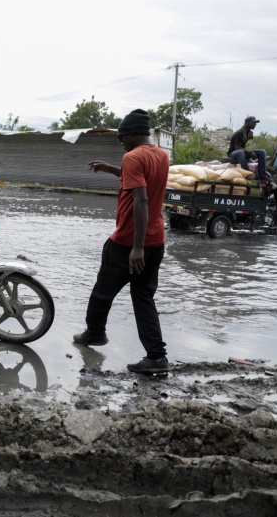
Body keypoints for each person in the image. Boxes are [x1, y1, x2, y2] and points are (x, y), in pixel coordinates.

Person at [72, 109, 171, 374]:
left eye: (121, 138)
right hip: (156, 240)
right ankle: (156, 357)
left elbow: (141, 200)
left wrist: (136, 248)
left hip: (128, 242)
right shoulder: (161, 155)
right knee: (143, 298)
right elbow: (142, 182)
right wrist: (109, 169)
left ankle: (95, 333)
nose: (121, 144)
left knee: (102, 292)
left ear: (131, 135)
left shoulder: (132, 156)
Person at [229, 116, 268, 185]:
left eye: (255, 123)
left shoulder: (249, 133)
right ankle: (247, 173)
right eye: (253, 122)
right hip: (233, 153)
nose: (255, 124)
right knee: (240, 152)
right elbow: (237, 147)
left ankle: (262, 176)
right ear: (247, 123)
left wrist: (250, 153)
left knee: (262, 152)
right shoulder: (239, 132)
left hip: (242, 153)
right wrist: (250, 152)